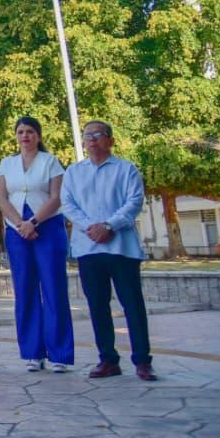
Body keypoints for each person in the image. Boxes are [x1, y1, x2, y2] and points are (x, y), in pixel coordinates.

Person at [60, 121, 156, 381]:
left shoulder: (126, 169)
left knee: (132, 305)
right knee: (97, 306)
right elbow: (67, 204)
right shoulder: (73, 172)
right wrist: (90, 227)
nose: (92, 140)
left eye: (98, 135)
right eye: (87, 136)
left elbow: (134, 201)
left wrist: (109, 225)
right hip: (88, 247)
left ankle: (142, 361)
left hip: (121, 247)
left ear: (111, 140)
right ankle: (108, 360)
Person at [0, 116, 74, 373]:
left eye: (30, 132)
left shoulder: (50, 162)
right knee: (25, 290)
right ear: (15, 136)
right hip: (17, 230)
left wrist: (34, 222)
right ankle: (33, 352)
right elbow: (2, 198)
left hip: (47, 227)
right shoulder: (7, 164)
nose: (25, 136)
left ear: (38, 136)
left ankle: (60, 353)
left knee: (53, 288)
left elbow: (56, 197)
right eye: (20, 132)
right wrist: (20, 224)